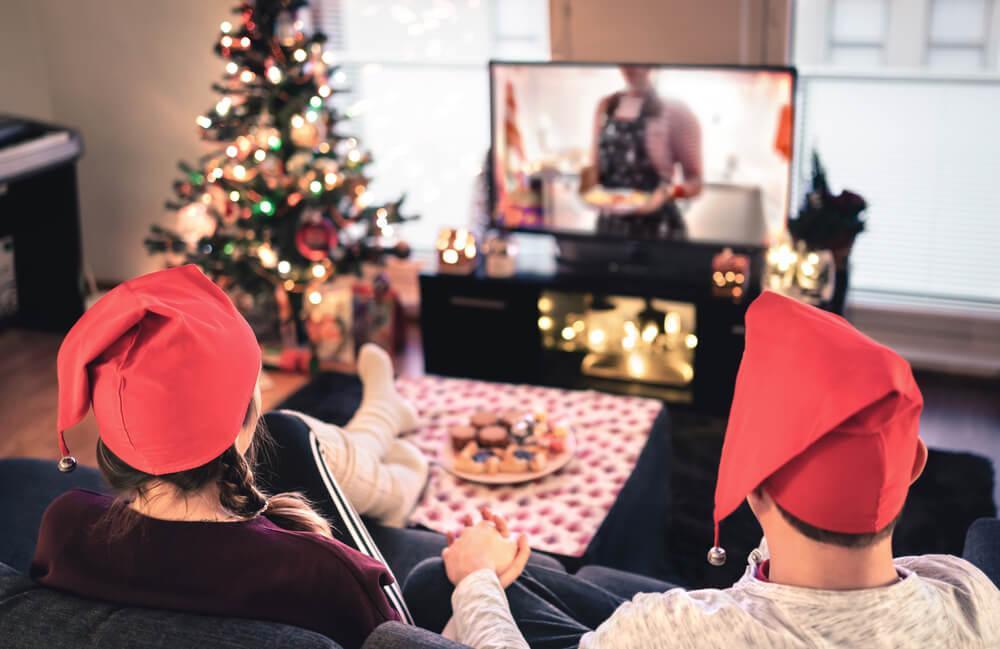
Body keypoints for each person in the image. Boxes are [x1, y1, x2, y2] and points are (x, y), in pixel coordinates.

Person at [404, 290, 1000, 648]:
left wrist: (478, 579)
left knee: (439, 577)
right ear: (914, 466)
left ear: (754, 483)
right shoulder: (972, 596)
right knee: (577, 581)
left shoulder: (671, 629)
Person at [30, 264, 427, 649]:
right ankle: (389, 450)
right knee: (291, 432)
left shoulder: (64, 527)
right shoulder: (327, 570)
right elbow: (403, 638)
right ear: (241, 429)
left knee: (292, 434)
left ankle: (382, 418)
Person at [582, 65, 703, 239]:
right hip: (610, 230)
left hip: (659, 232)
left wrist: (666, 194)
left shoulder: (677, 111)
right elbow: (594, 167)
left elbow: (695, 182)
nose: (630, 67)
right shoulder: (605, 106)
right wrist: (586, 187)